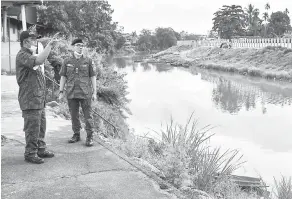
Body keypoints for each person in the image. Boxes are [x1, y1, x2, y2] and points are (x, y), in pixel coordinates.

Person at [16, 30, 57, 164]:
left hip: (38, 99)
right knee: (32, 128)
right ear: (25, 42)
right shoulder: (22, 55)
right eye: (33, 40)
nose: (35, 42)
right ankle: (30, 153)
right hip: (30, 100)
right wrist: (49, 46)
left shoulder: (31, 54)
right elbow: (40, 60)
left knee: (41, 126)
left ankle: (40, 149)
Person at [59, 38, 97, 147]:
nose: (81, 47)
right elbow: (63, 77)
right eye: (78, 45)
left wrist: (94, 92)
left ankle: (90, 137)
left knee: (88, 116)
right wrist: (61, 92)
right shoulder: (67, 61)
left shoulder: (88, 60)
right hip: (71, 92)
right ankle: (76, 134)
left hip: (85, 93)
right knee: (74, 115)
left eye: (82, 45)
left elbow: (93, 77)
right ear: (73, 47)